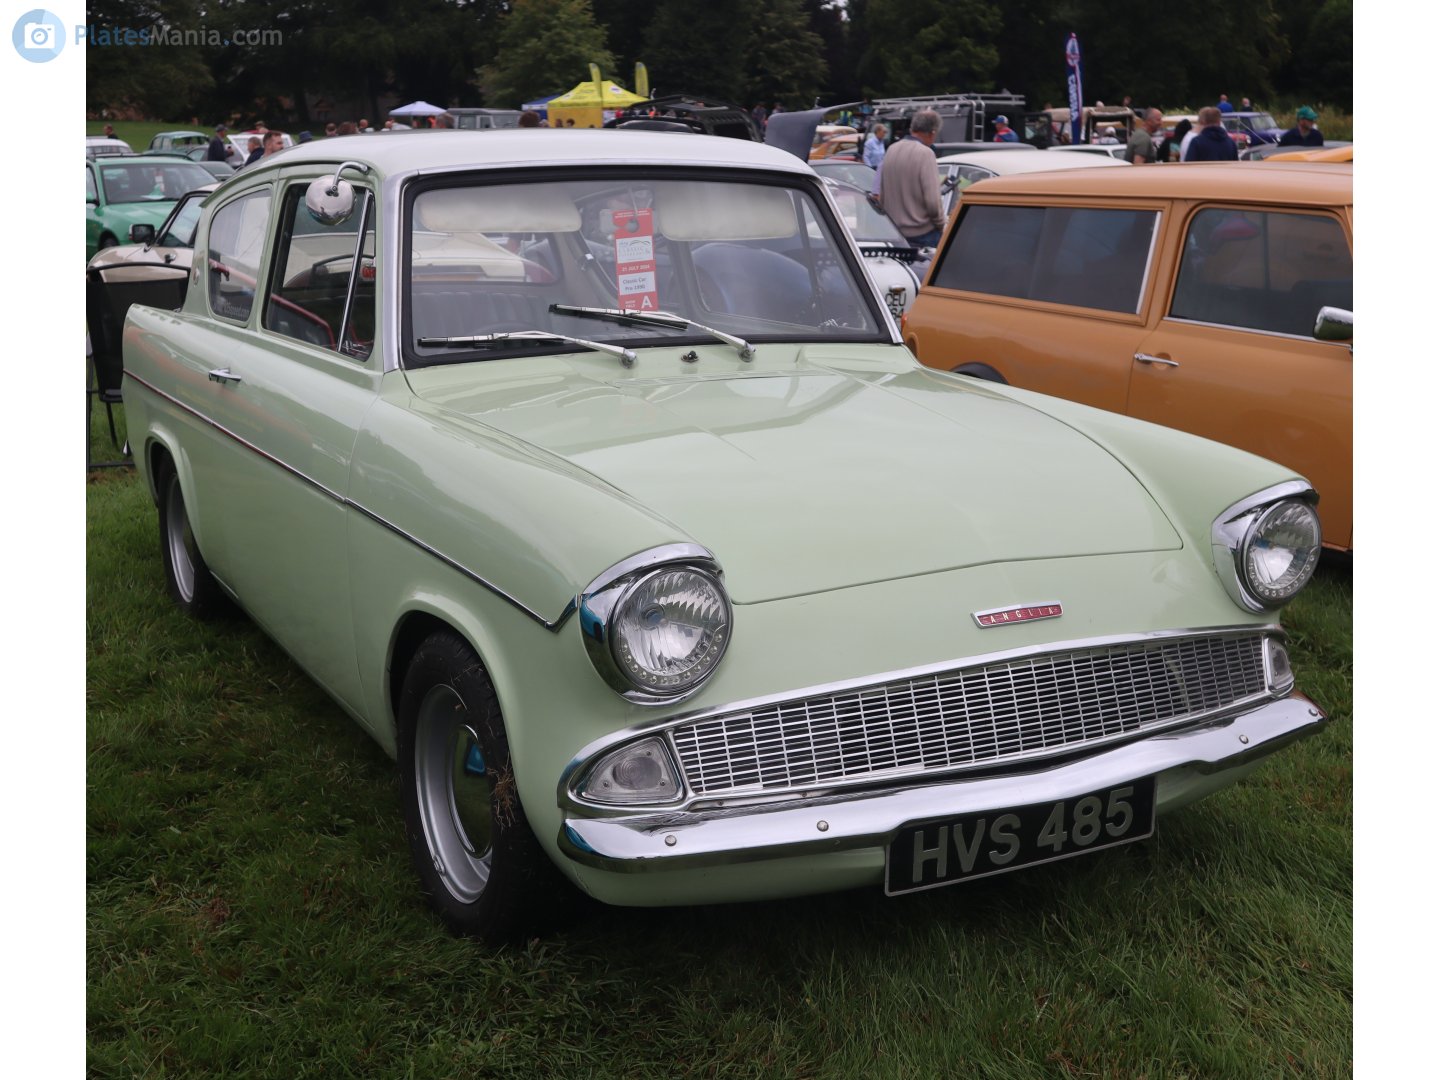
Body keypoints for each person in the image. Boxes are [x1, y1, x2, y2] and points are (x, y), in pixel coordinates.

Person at [878, 108, 946, 250]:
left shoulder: (891, 150)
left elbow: (882, 193)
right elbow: (933, 202)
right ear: (932, 133)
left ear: (912, 127)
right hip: (922, 233)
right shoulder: (926, 154)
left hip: (894, 232)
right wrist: (941, 225)